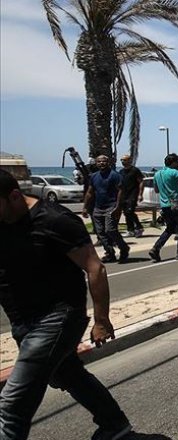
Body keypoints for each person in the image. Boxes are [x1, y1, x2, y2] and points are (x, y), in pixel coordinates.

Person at [0, 169, 132, 440]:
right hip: (22, 319)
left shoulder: (54, 220)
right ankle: (114, 424)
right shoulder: (3, 220)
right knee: (68, 375)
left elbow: (95, 268)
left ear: (14, 196)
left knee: (12, 406)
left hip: (58, 317)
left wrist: (101, 320)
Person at [82, 155, 130, 263]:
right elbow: (89, 192)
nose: (101, 163)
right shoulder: (94, 176)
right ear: (96, 163)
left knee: (110, 230)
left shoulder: (115, 175)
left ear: (108, 162)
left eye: (104, 161)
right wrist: (85, 207)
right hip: (97, 208)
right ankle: (110, 253)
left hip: (111, 207)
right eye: (99, 162)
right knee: (100, 233)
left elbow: (121, 191)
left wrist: (118, 207)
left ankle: (124, 248)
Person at [149, 154, 178, 262]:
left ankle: (156, 248)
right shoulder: (174, 172)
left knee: (170, 228)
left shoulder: (157, 174)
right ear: (174, 163)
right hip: (175, 202)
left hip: (164, 204)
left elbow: (157, 190)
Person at [118, 155, 144, 238]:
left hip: (133, 194)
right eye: (121, 160)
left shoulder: (135, 170)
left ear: (129, 160)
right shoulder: (121, 171)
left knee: (130, 212)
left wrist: (140, 194)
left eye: (124, 160)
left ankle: (139, 228)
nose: (123, 161)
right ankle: (130, 230)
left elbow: (141, 182)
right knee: (126, 213)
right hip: (124, 195)